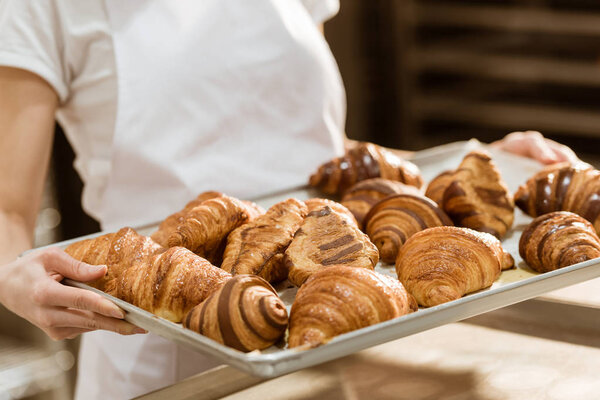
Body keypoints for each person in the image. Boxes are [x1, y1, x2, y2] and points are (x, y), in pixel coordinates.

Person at [0, 1, 581, 398]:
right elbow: (7, 209)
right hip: (160, 346)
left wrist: (476, 168)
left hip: (331, 320)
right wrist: (12, 277)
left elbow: (311, 152)